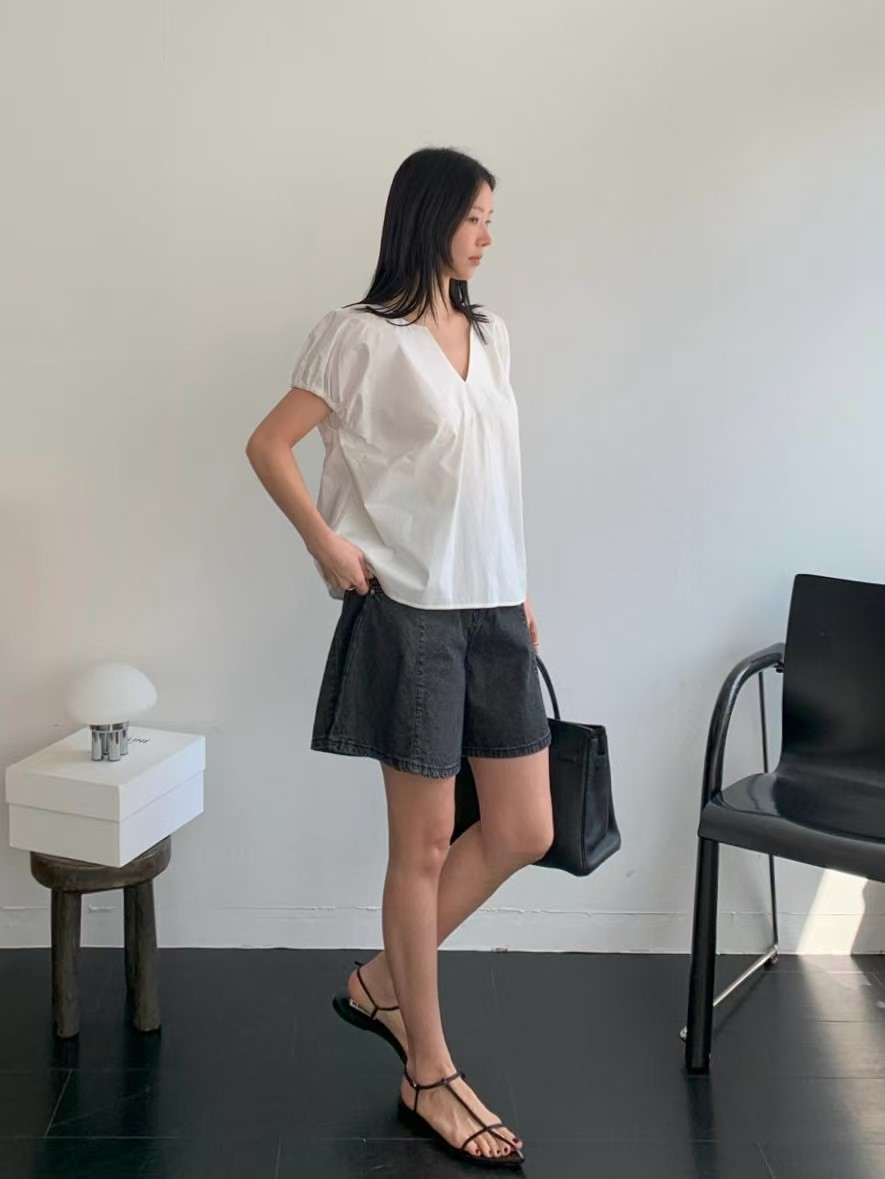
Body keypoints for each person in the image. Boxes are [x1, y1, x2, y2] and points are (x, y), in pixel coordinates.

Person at [245, 146, 553, 1168]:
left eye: (492, 218)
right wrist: (326, 546)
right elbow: (269, 445)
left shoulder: (491, 334)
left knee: (523, 826)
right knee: (420, 846)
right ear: (426, 218)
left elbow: (494, 476)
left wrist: (519, 586)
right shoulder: (358, 338)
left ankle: (382, 982)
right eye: (473, 216)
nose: (487, 235)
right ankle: (428, 1069)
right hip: (411, 614)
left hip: (493, 609)